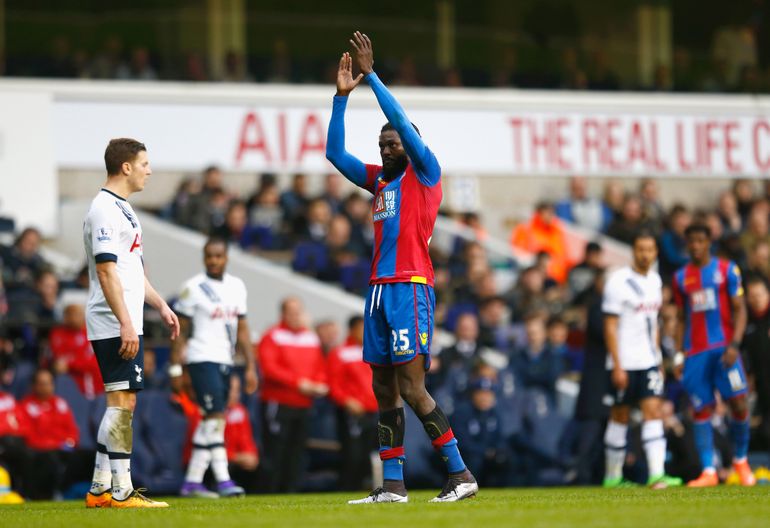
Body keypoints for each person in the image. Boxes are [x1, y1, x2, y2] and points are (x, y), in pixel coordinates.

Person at [326, 31, 476, 503]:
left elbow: (401, 122)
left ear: (408, 146)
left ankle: (459, 474)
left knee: (413, 387)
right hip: (377, 292)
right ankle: (393, 485)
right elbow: (335, 154)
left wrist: (371, 77)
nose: (387, 148)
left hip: (410, 288)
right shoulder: (380, 183)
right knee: (384, 389)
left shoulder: (425, 174)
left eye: (393, 143)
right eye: (382, 144)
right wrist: (340, 99)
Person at [82, 138, 180, 508]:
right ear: (126, 167)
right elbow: (107, 272)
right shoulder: (104, 209)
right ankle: (121, 491)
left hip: (124, 317)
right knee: (121, 402)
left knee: (123, 402)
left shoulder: (122, 209)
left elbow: (130, 269)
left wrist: (160, 305)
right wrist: (125, 322)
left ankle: (99, 489)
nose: (148, 170)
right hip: (112, 318)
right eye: (144, 163)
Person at [171, 236, 258, 498]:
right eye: (209, 256)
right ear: (204, 257)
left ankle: (192, 482)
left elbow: (242, 328)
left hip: (225, 358)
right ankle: (223, 480)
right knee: (216, 416)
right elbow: (180, 331)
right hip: (201, 357)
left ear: (226, 257)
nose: (213, 261)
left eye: (218, 256)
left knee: (210, 418)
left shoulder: (237, 286)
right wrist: (175, 368)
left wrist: (251, 366)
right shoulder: (192, 287)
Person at [672, 224, 754, 487]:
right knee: (700, 409)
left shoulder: (727, 270)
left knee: (739, 403)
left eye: (700, 240)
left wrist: (735, 344)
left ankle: (740, 460)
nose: (695, 246)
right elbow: (681, 318)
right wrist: (677, 355)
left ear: (709, 242)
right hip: (695, 353)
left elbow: (740, 310)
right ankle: (708, 470)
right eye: (691, 241)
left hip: (723, 349)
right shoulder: (680, 277)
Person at [601, 232, 682, 489]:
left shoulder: (655, 281)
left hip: (647, 360)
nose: (645, 254)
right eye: (640, 249)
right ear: (633, 251)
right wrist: (617, 364)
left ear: (656, 252)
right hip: (623, 362)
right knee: (620, 416)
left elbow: (653, 325)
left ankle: (657, 475)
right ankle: (612, 477)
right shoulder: (617, 281)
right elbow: (610, 326)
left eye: (650, 249)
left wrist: (657, 357)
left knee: (653, 411)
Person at [257, 297, 328, 493]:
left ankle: (291, 491)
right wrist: (298, 383)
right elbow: (269, 368)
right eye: (291, 312)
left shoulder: (310, 337)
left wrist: (319, 383)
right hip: (279, 402)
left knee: (297, 450)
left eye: (298, 312)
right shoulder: (272, 336)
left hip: (304, 404)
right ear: (283, 314)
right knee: (276, 449)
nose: (296, 316)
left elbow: (319, 366)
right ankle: (270, 491)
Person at [327, 316, 379, 491]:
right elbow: (333, 384)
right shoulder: (340, 353)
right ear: (352, 329)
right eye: (362, 328)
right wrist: (347, 401)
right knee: (352, 456)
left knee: (367, 456)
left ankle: (364, 489)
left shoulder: (374, 351)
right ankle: (347, 489)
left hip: (374, 411)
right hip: (353, 413)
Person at [17, 369, 79, 500]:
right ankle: (44, 495)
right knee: (48, 458)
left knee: (86, 457)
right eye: (42, 383)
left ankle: (69, 492)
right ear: (34, 386)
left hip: (61, 448)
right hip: (38, 450)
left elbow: (73, 432)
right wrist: (51, 444)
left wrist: (66, 443)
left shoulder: (60, 404)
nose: (46, 387)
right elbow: (27, 435)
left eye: (49, 383)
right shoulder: (26, 405)